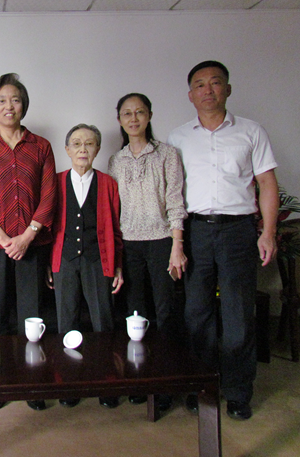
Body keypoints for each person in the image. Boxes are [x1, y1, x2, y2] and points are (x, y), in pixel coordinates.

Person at [167, 60, 279, 420]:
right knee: (196, 313)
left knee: (238, 315)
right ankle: (201, 387)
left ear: (227, 89)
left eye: (215, 83)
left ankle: (238, 392)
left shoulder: (251, 131)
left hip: (238, 231)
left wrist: (268, 232)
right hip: (195, 231)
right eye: (200, 84)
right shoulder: (178, 138)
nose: (208, 90)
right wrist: (176, 242)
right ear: (190, 95)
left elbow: (267, 184)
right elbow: (172, 193)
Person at [0, 73, 57, 412]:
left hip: (32, 245)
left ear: (24, 105)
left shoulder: (41, 146)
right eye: (1, 100)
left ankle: (32, 384)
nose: (9, 106)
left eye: (15, 99)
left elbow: (49, 195)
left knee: (31, 318)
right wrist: (6, 240)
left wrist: (27, 236)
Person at [107, 93, 187, 410]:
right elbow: (114, 211)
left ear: (150, 115)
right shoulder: (116, 160)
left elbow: (176, 200)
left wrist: (177, 245)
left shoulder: (167, 154)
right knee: (135, 314)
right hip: (129, 245)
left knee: (166, 312)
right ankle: (139, 379)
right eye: (127, 113)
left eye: (139, 112)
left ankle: (166, 383)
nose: (134, 118)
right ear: (119, 119)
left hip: (162, 241)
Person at [48, 123, 123, 409]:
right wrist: (49, 264)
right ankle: (68, 384)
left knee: (103, 321)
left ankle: (107, 384)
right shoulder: (55, 182)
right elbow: (48, 226)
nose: (83, 149)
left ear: (98, 149)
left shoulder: (108, 184)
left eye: (89, 143)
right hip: (64, 260)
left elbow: (116, 229)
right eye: (77, 143)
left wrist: (117, 265)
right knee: (66, 322)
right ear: (67, 150)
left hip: (98, 260)